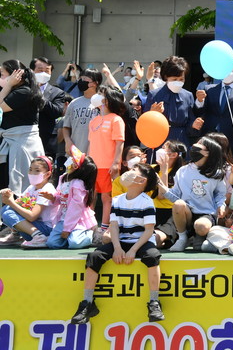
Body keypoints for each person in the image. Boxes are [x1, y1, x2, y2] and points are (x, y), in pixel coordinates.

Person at [70, 167, 164, 324]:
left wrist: (133, 250)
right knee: (94, 257)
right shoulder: (118, 200)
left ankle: (154, 302)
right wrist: (118, 248)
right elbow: (114, 226)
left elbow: (149, 231)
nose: (128, 172)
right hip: (121, 240)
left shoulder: (146, 202)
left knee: (153, 257)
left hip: (141, 241)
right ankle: (87, 303)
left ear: (142, 181)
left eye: (134, 170)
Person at [159, 137, 227, 252]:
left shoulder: (216, 173)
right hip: (186, 213)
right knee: (179, 204)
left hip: (206, 213)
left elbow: (220, 194)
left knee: (201, 228)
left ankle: (198, 235)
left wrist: (221, 205)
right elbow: (175, 195)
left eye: (200, 144)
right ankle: (182, 237)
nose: (195, 146)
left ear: (207, 153)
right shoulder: (182, 171)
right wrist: (160, 185)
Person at [195, 58, 233, 161]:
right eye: (224, 69)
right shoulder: (209, 89)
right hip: (210, 139)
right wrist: (199, 101)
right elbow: (198, 112)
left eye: (231, 69)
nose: (227, 72)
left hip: (232, 141)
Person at [0, 60, 45, 193]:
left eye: (2, 74)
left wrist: (8, 84)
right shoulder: (14, 91)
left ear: (15, 75)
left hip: (22, 143)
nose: (1, 77)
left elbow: (0, 108)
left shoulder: (23, 92)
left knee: (20, 185)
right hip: (12, 141)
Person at [88, 86, 126, 240]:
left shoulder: (116, 119)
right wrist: (86, 162)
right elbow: (90, 143)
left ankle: (104, 227)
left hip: (108, 165)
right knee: (90, 197)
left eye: (101, 94)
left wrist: (116, 162)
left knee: (106, 197)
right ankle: (90, 226)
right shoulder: (94, 120)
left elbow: (119, 143)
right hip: (93, 166)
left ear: (109, 100)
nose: (97, 96)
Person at [44, 149, 98, 249]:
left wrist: (67, 229)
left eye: (72, 159)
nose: (69, 159)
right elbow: (61, 198)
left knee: (75, 243)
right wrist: (53, 198)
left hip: (79, 221)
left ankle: (90, 233)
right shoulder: (63, 178)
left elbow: (75, 208)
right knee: (52, 243)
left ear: (75, 167)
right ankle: (70, 238)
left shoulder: (78, 184)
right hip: (64, 219)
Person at [143, 56, 200, 151]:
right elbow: (144, 124)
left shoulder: (188, 95)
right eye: (174, 79)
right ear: (166, 77)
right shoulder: (154, 95)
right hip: (160, 141)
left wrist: (194, 125)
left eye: (181, 79)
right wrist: (152, 114)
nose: (178, 82)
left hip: (182, 141)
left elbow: (190, 122)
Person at [0, 156, 57, 247]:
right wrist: (8, 196)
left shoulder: (47, 189)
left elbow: (32, 216)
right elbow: (19, 205)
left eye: (37, 170)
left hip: (46, 229)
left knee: (8, 213)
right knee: (6, 209)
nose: (32, 173)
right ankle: (16, 236)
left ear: (47, 174)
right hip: (33, 227)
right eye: (30, 169)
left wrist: (11, 202)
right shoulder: (31, 187)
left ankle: (39, 237)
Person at [30, 57, 67, 157]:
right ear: (32, 71)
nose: (43, 73)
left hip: (47, 142)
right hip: (25, 139)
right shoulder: (24, 90)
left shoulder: (57, 92)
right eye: (40, 70)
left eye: (47, 70)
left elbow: (57, 112)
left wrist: (39, 95)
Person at [62, 68, 103, 155]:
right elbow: (66, 127)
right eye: (80, 78)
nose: (81, 81)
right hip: (74, 153)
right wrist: (67, 141)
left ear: (95, 83)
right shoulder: (74, 103)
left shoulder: (102, 103)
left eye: (85, 79)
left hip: (94, 154)